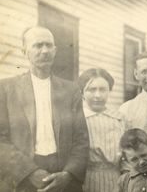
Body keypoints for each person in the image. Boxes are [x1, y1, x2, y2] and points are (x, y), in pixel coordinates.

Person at [0, 26, 89, 192]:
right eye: (38, 45)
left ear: (55, 51)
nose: (45, 50)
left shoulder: (70, 91)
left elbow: (81, 139)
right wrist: (30, 172)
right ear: (24, 51)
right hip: (22, 178)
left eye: (49, 45)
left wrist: (68, 174)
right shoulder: (5, 89)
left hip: (64, 177)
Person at [78, 68, 125, 192]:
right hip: (86, 181)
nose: (97, 95)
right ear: (82, 92)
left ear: (110, 91)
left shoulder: (119, 119)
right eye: (92, 90)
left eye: (103, 89)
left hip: (116, 181)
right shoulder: (77, 119)